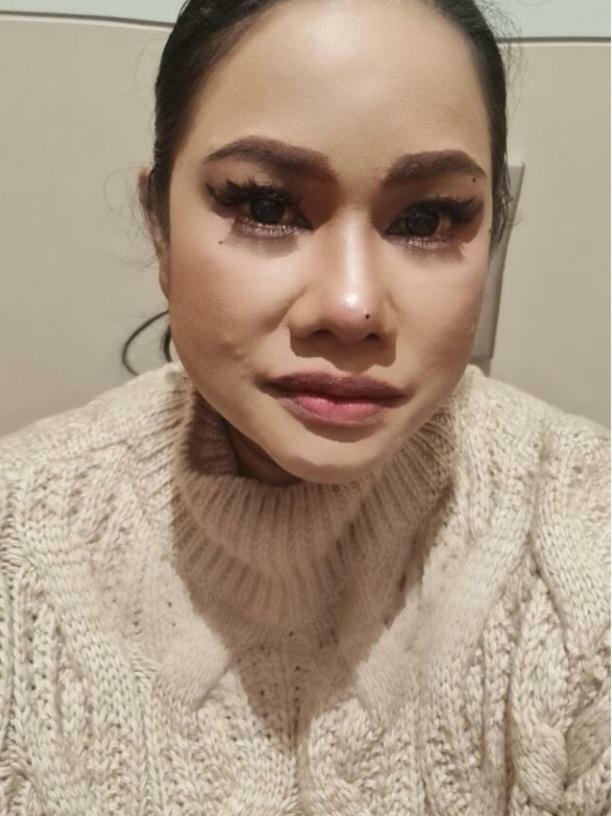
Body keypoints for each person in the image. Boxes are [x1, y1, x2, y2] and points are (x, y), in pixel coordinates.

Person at [0, 0, 609, 812]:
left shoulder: (584, 533)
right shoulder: (19, 540)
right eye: (264, 206)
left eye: (427, 218)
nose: (352, 308)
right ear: (159, 228)